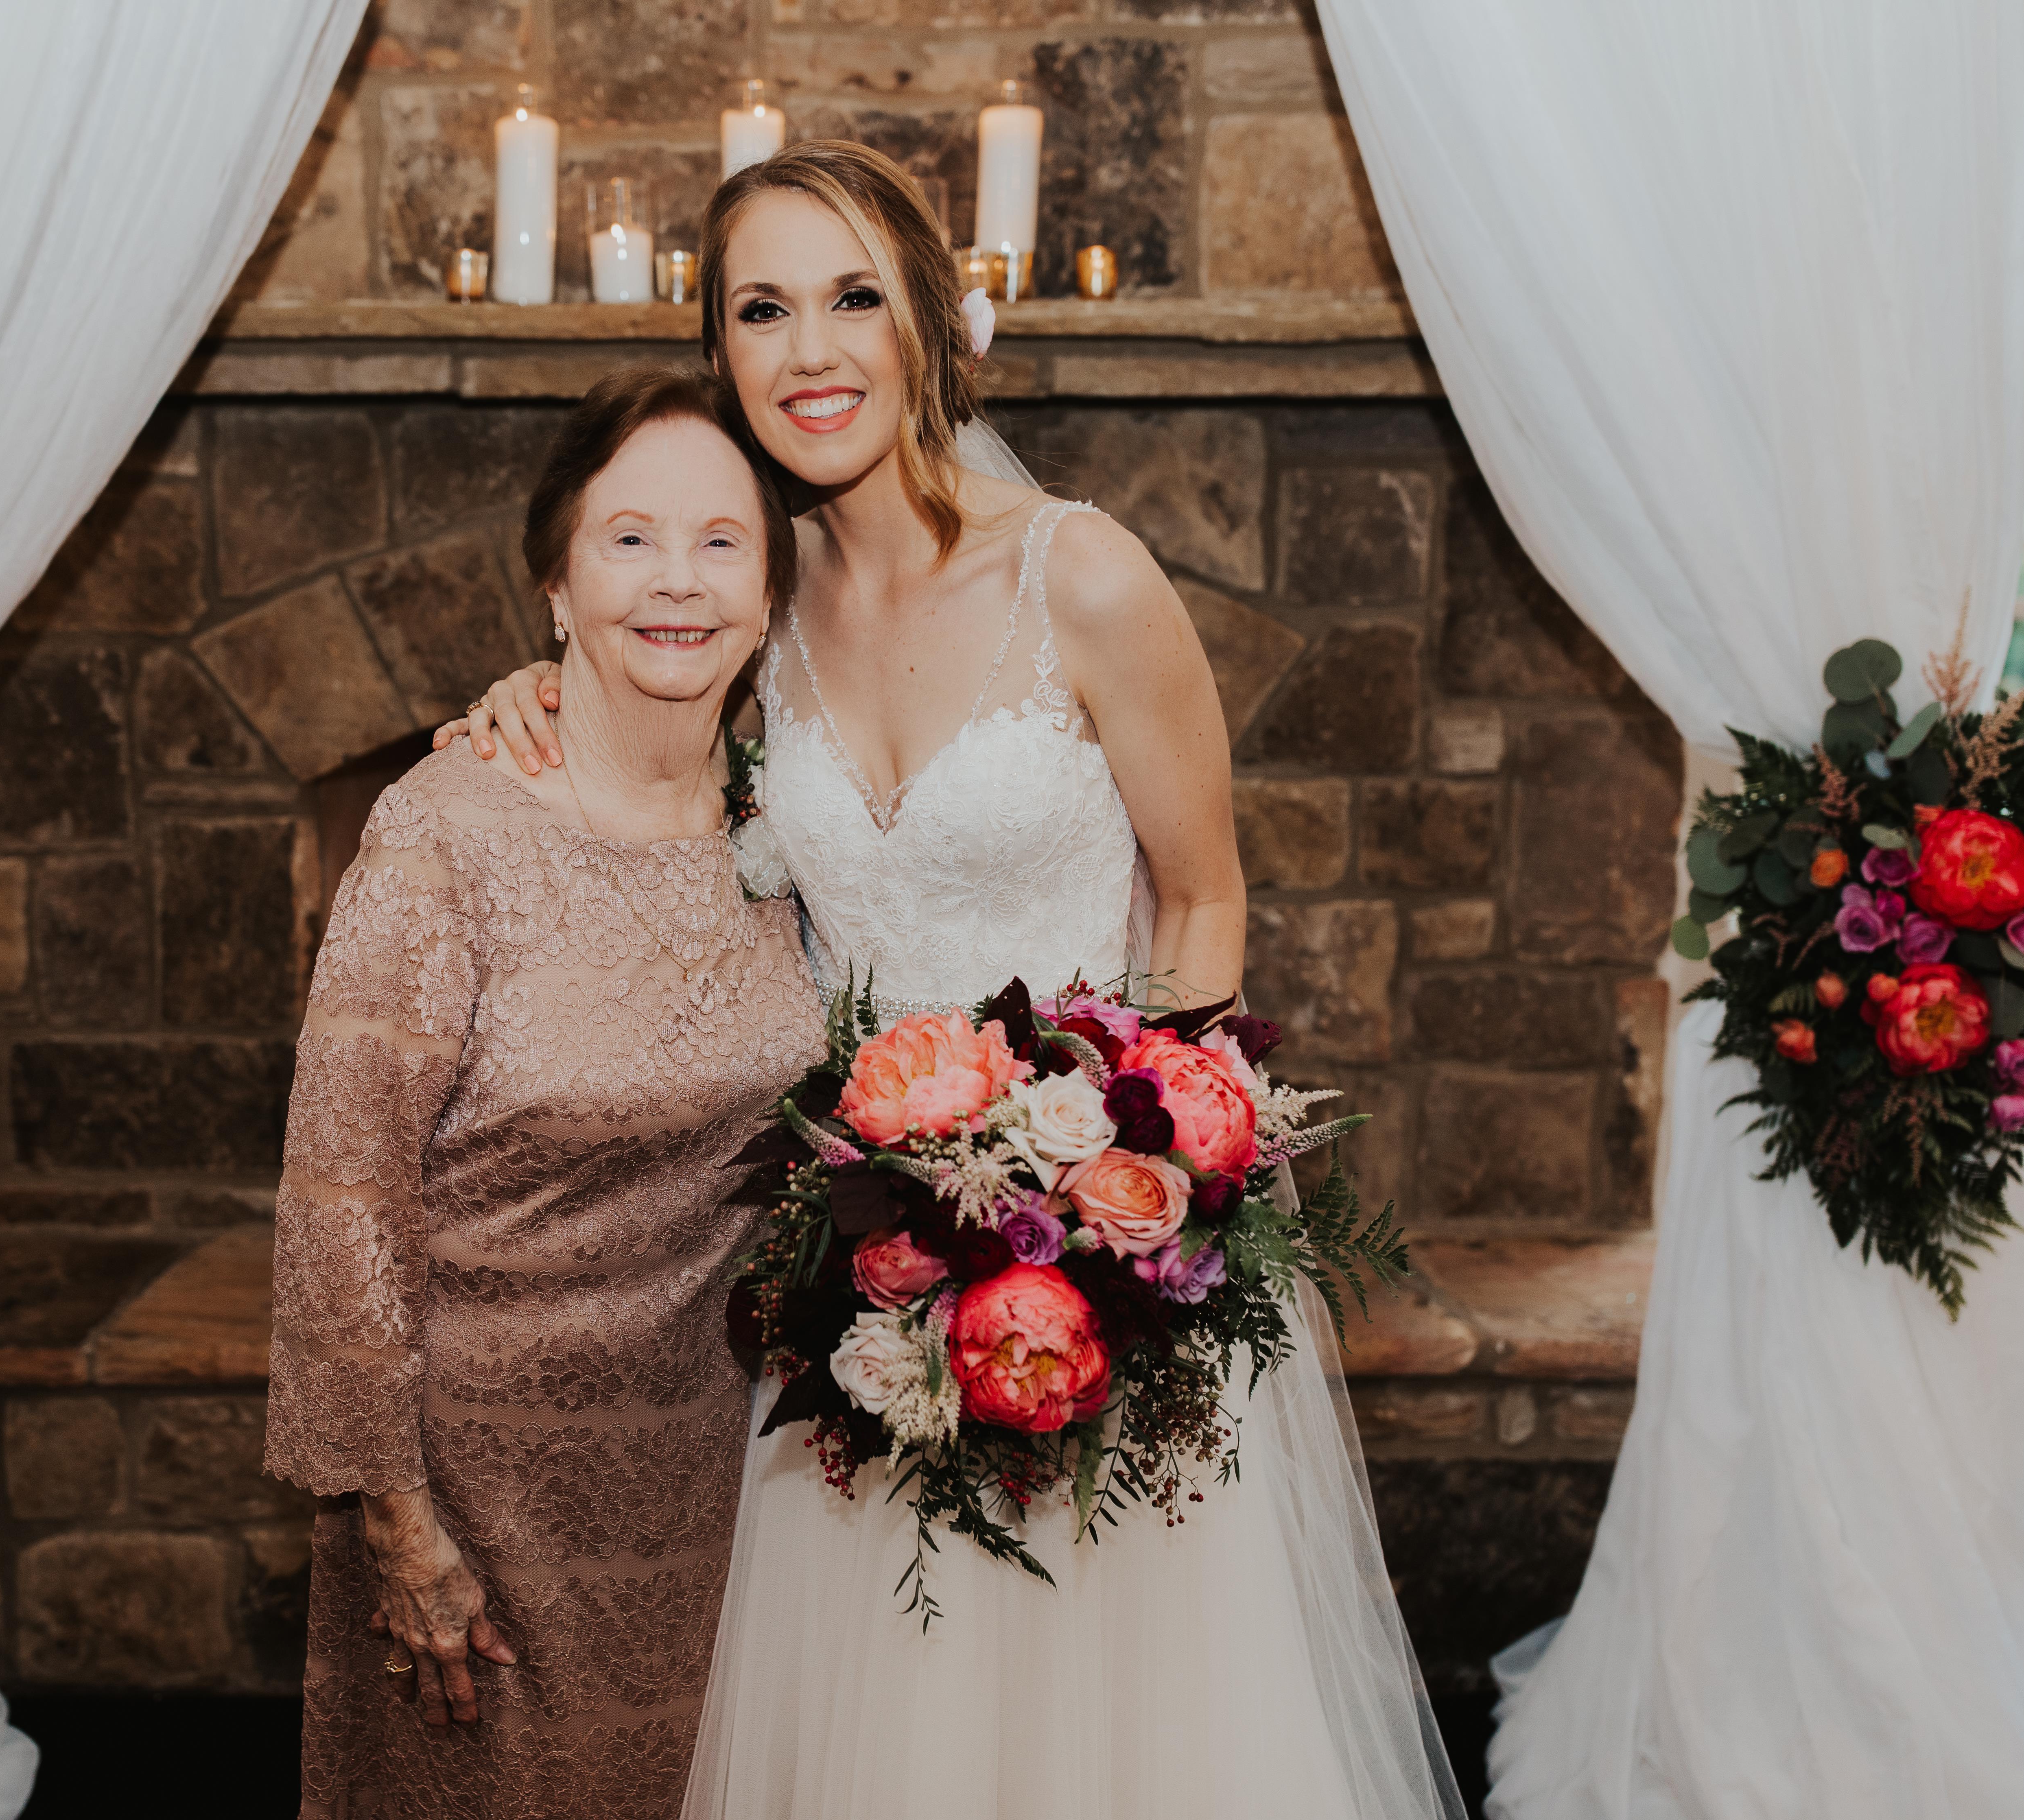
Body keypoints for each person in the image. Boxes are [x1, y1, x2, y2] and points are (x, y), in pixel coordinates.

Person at [439, 141, 1466, 1819]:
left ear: (929, 316)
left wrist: (1135, 1198)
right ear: (722, 353)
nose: (810, 349)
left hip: (1102, 1261)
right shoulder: (750, 606)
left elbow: (1207, 899)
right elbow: (630, 659)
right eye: (762, 310)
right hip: (865, 1277)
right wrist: (524, 693)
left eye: (852, 295)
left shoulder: (1083, 575)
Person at [267, 365, 824, 1820]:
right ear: (557, 588)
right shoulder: (444, 831)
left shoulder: (797, 825)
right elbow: (342, 1199)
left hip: (730, 1484)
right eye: (628, 539)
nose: (677, 583)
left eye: (722, 543)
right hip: (481, 1498)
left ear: (769, 596)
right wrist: (397, 1520)